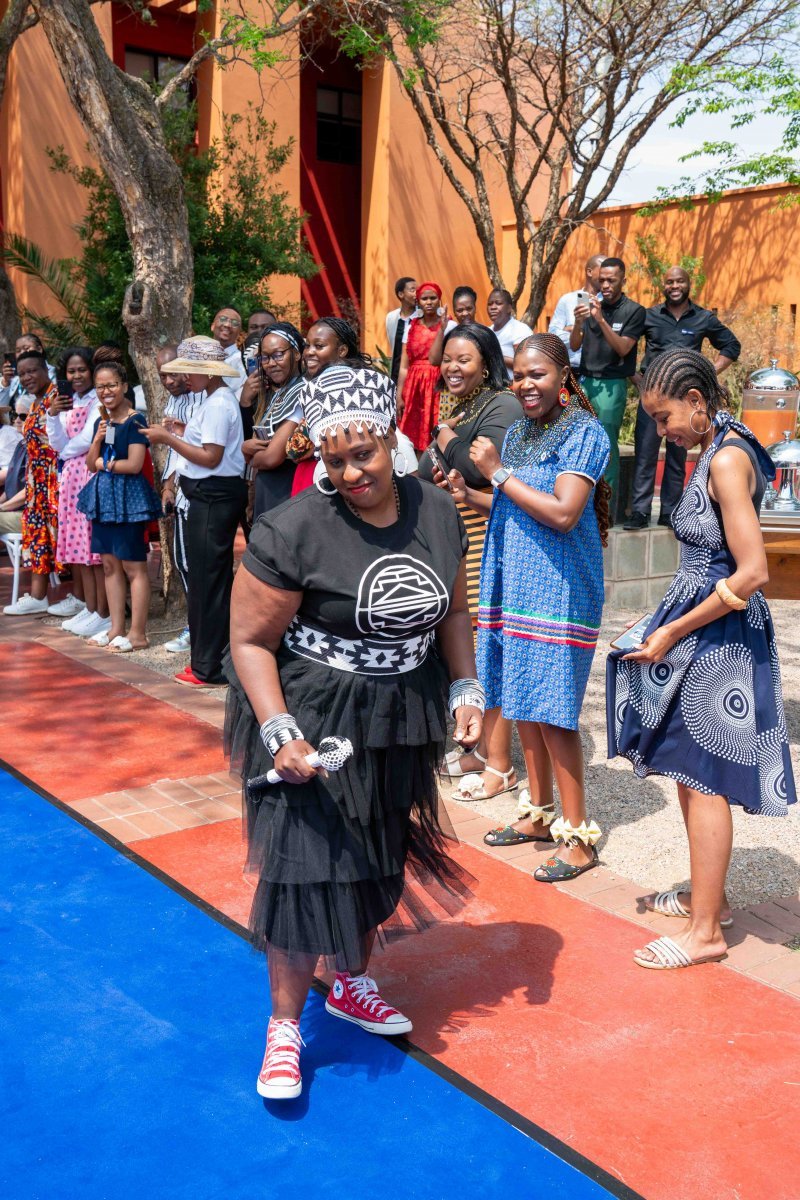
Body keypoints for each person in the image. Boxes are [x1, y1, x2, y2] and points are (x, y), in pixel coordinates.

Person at [224, 363, 482, 1101]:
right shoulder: (292, 528)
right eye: (334, 461)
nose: (350, 473)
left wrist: (465, 687)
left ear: (391, 438)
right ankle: (284, 1028)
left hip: (400, 711)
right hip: (312, 711)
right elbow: (248, 642)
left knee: (375, 853)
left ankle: (351, 982)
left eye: (363, 454)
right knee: (304, 866)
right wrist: (280, 732)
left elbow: (452, 611)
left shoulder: (436, 509)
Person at [607, 348, 796, 970]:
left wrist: (672, 630)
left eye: (664, 418)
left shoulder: (727, 460)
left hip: (721, 642)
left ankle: (707, 931)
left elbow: (752, 571)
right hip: (706, 631)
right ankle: (709, 900)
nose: (662, 432)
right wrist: (660, 621)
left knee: (703, 778)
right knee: (691, 773)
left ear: (696, 401)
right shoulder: (719, 445)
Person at [439, 335, 611, 885]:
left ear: (563, 376)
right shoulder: (518, 433)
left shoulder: (585, 433)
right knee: (522, 701)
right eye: (518, 374)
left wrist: (496, 473)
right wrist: (471, 493)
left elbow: (563, 512)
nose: (526, 384)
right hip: (513, 580)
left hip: (559, 588)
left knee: (554, 713)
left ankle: (578, 838)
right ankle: (538, 813)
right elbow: (513, 500)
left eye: (537, 374)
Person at [145, 337, 246, 688]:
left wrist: (168, 439)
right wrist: (181, 432)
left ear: (207, 371)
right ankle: (208, 661)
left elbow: (211, 457)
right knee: (207, 581)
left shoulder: (218, 402)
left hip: (213, 496)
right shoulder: (215, 399)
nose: (185, 378)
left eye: (190, 370)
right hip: (208, 495)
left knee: (209, 582)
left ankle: (210, 666)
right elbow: (208, 444)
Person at [417, 323, 521, 623]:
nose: (452, 368)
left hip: (483, 543)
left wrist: (441, 432)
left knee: (479, 632)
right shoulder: (463, 409)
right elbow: (425, 470)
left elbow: (478, 468)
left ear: (486, 364)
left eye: (463, 360)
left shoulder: (503, 403)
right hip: (450, 544)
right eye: (447, 360)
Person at [624, 268, 742, 530]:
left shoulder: (703, 318)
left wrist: (706, 372)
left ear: (689, 284)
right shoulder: (649, 316)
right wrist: (636, 377)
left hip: (684, 401)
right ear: (663, 285)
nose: (674, 286)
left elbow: (731, 345)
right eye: (670, 282)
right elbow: (626, 347)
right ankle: (640, 512)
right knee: (645, 454)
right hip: (653, 399)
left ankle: (670, 511)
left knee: (678, 454)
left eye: (680, 281)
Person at [77, 363, 161, 651]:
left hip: (129, 502)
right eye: (100, 387)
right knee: (109, 565)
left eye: (111, 384)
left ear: (124, 385)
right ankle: (116, 628)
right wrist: (97, 440)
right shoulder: (102, 422)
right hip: (104, 501)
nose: (106, 391)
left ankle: (138, 634)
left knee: (133, 566)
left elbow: (135, 464)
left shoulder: (135, 421)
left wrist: (105, 464)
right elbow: (90, 464)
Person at [44, 347, 112, 636]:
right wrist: (52, 415)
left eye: (81, 369)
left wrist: (65, 453)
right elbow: (56, 442)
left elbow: (87, 439)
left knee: (92, 548)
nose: (76, 376)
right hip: (71, 477)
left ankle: (103, 612)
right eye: (71, 371)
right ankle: (91, 608)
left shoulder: (98, 400)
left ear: (92, 370)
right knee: (78, 547)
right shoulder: (68, 402)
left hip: (89, 472)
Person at [570, 257, 645, 509]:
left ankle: (606, 512)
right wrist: (579, 323)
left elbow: (623, 348)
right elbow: (575, 345)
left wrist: (600, 319)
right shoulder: (592, 306)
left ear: (623, 280)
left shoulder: (634, 311)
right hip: (585, 381)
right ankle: (582, 506)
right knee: (582, 443)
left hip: (612, 384)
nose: (605, 285)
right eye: (601, 280)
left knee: (607, 446)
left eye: (611, 280)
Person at [2, 352, 60, 616]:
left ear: (45, 370)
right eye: (22, 373)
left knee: (60, 538)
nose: (27, 377)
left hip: (55, 480)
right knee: (37, 536)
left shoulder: (56, 398)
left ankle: (83, 600)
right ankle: (38, 596)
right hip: (36, 484)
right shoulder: (35, 402)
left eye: (32, 371)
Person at [157, 345, 205, 655]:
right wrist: (168, 486)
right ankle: (195, 626)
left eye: (174, 373)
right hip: (182, 490)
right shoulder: (175, 401)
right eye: (163, 376)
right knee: (183, 562)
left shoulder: (206, 398)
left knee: (197, 564)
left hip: (203, 490)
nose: (169, 381)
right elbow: (174, 449)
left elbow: (200, 445)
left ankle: (201, 629)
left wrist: (174, 434)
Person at [242, 322, 306, 521]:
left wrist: (249, 456)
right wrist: (248, 450)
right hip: (269, 489)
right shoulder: (275, 393)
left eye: (278, 355)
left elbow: (271, 458)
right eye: (265, 357)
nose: (270, 363)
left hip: (286, 490)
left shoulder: (302, 391)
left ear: (296, 353)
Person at [397, 281, 453, 450]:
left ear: (439, 300)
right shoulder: (411, 326)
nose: (429, 302)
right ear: (418, 302)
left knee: (436, 430)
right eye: (424, 298)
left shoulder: (449, 325)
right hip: (414, 386)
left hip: (438, 384)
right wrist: (399, 395)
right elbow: (404, 366)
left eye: (433, 298)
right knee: (411, 436)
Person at [549, 255, 605, 369]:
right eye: (603, 271)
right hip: (571, 368)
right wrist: (577, 330)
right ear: (589, 272)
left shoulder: (609, 301)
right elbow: (553, 336)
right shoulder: (568, 300)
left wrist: (572, 330)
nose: (606, 276)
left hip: (598, 370)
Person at [0, 397, 31, 537]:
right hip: (15, 510)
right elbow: (10, 487)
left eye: (23, 416)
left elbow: (30, 490)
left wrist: (2, 507)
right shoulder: (22, 445)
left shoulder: (39, 447)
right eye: (15, 415)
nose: (17, 420)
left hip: (30, 514)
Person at [0, 333, 56, 410]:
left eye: (26, 348)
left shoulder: (55, 375)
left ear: (39, 349)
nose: (22, 353)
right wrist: (6, 382)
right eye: (18, 351)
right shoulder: (13, 378)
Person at [487, 288, 533, 378]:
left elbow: (525, 364)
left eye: (498, 303)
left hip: (514, 384)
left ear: (509, 308)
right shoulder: (486, 332)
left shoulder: (520, 330)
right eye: (490, 304)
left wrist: (495, 356)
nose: (493, 307)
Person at [385, 277, 418, 383]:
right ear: (401, 294)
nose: (417, 294)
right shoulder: (391, 318)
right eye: (412, 290)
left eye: (418, 290)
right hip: (396, 376)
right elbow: (393, 346)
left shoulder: (423, 317)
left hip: (417, 376)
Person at [210, 307, 246, 393]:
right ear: (212, 326)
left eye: (234, 323)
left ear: (239, 333)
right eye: (223, 319)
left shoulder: (242, 363)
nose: (227, 325)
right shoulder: (197, 355)